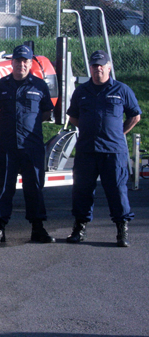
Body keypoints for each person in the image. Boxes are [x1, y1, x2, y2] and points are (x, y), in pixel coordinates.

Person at [66, 50, 141, 247]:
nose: (97, 68)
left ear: (108, 67)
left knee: (117, 190)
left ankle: (121, 230)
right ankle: (79, 228)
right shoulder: (81, 92)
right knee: (82, 190)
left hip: (113, 151)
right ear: (90, 68)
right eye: (94, 65)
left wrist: (119, 132)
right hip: (87, 150)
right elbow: (73, 116)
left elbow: (135, 115)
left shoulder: (122, 90)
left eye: (101, 65)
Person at [0, 45, 56, 245]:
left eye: (25, 61)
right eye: (18, 61)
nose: (21, 64)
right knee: (4, 188)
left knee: (34, 187)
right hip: (7, 144)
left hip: (31, 145)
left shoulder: (39, 85)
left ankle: (38, 228)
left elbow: (46, 113)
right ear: (12, 62)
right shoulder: (1, 85)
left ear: (30, 63)